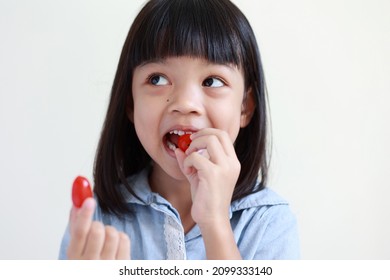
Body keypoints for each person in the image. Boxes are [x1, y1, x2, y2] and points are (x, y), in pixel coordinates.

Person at [59, 0, 300, 260]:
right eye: (157, 79)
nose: (185, 103)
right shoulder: (97, 218)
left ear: (245, 107)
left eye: (212, 81)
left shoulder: (269, 222)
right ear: (130, 103)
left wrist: (215, 221)